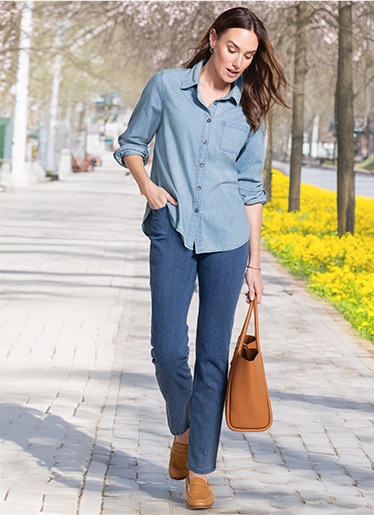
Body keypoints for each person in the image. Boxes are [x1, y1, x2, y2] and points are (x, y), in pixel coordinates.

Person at [114, 6, 287, 509]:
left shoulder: (250, 110)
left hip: (229, 240)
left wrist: (255, 265)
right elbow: (131, 143)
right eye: (232, 48)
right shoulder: (167, 87)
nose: (238, 61)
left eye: (249, 55)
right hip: (170, 229)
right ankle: (183, 429)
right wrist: (147, 185)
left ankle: (200, 470)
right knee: (167, 349)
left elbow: (252, 190)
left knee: (214, 356)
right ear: (213, 39)